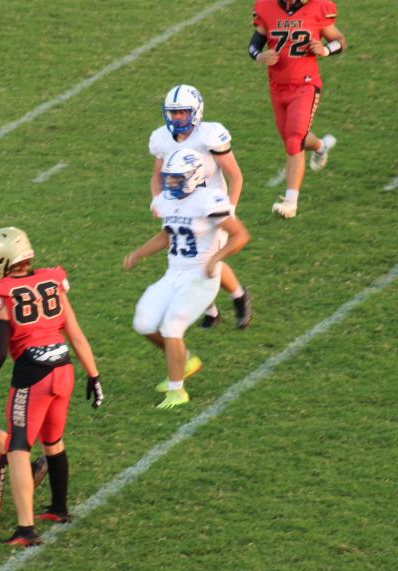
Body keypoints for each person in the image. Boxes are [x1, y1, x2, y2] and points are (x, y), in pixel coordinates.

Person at [0, 227, 103, 547]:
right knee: (52, 440)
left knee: (17, 448)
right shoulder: (52, 279)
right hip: (64, 367)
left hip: (33, 373)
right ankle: (59, 508)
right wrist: (94, 376)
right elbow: (76, 334)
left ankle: (26, 529)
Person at [124, 150, 250, 408]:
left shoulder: (209, 199)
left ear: (194, 177)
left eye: (176, 178)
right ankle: (185, 359)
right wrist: (139, 253)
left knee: (172, 326)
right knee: (143, 322)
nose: (170, 183)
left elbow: (240, 235)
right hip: (174, 273)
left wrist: (217, 257)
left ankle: (177, 390)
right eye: (169, 178)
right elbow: (168, 234)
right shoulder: (170, 201)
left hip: (202, 276)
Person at [149, 84, 252, 330]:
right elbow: (157, 176)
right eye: (173, 112)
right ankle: (213, 311)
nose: (177, 117)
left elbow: (235, 175)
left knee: (206, 262)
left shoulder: (210, 135)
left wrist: (231, 208)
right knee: (185, 260)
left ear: (195, 111)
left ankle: (239, 297)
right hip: (181, 206)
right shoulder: (162, 138)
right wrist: (157, 199)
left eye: (183, 112)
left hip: (211, 206)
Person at [248, 0, 346, 219]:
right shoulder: (267, 6)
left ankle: (290, 202)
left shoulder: (319, 7)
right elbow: (254, 45)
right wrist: (259, 56)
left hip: (306, 84)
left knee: (294, 140)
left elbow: (340, 41)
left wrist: (326, 49)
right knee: (292, 138)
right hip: (277, 86)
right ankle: (320, 146)